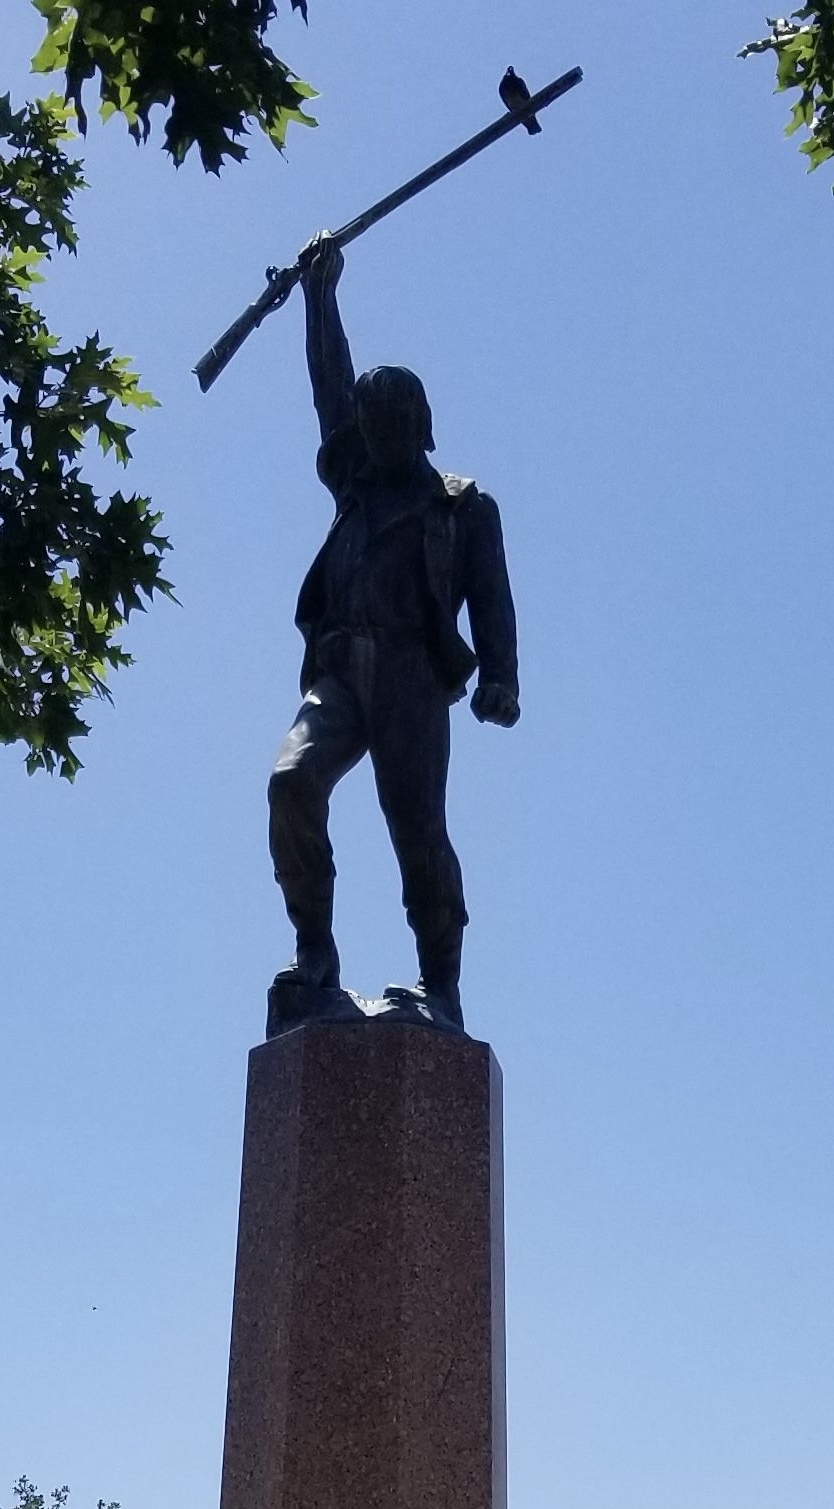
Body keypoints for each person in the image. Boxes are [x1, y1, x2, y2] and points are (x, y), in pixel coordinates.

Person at [267, 234, 519, 1031]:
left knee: (418, 833)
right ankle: (316, 956)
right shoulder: (354, 478)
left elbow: (491, 595)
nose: (373, 437)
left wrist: (502, 678)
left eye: (390, 425)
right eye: (369, 427)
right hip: (340, 670)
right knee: (291, 783)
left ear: (419, 426)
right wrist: (320, 295)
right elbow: (327, 390)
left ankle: (439, 986)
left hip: (413, 673)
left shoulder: (463, 506)